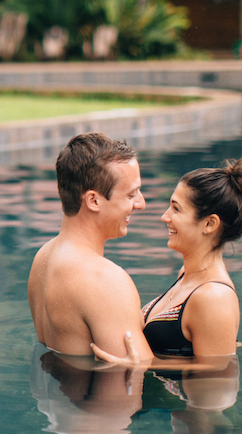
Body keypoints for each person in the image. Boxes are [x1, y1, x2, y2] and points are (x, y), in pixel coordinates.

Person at [93, 158, 242, 368]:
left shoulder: (214, 297)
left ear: (209, 224)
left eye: (176, 209)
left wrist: (143, 364)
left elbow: (218, 376)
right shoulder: (186, 274)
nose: (165, 217)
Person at [27, 133, 154, 361]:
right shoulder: (104, 280)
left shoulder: (43, 258)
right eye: (131, 194)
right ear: (93, 201)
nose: (141, 204)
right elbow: (128, 384)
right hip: (96, 397)